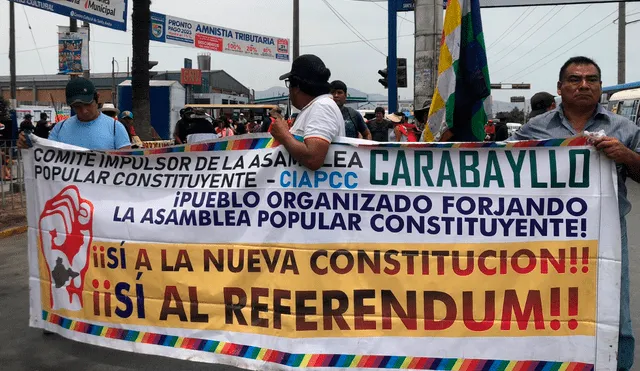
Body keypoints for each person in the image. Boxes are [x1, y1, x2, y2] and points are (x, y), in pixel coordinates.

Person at [510, 56, 639, 371]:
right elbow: (501, 170)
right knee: (541, 306)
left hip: (606, 234)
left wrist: (627, 156)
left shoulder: (623, 128)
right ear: (560, 87)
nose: (584, 85)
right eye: (575, 79)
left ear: (599, 87)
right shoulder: (535, 128)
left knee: (613, 310)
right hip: (545, 233)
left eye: (592, 79)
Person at [270, 54, 344, 171]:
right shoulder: (316, 107)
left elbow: (313, 158)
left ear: (297, 86)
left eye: (289, 83)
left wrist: (284, 135)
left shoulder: (322, 107)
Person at [18, 78, 130, 150]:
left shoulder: (116, 128)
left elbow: (126, 165)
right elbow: (46, 157)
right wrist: (28, 147)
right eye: (77, 107)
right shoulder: (60, 128)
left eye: (88, 104)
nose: (84, 111)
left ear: (97, 98)